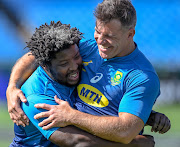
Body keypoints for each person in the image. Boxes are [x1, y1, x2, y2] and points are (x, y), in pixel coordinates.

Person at [6, 0, 170, 145]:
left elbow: (125, 132)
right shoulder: (86, 48)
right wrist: (12, 87)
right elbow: (36, 53)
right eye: (98, 31)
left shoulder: (141, 77)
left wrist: (72, 116)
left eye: (109, 36)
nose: (100, 40)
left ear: (130, 34)